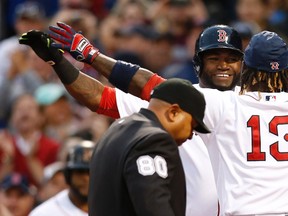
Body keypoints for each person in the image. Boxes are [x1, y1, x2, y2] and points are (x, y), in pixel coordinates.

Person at [26, 26, 288, 214]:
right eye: (214, 58)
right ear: (197, 63)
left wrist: (92, 55)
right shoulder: (170, 104)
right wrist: (58, 62)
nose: (224, 66)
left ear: (245, 67)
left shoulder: (225, 104)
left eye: (232, 59)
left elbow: (151, 84)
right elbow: (100, 98)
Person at [89, 78, 210, 216]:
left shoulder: (116, 129)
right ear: (174, 112)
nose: (190, 136)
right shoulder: (155, 140)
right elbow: (153, 205)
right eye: (192, 126)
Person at [29, 140, 95, 216]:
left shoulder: (109, 207)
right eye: (80, 172)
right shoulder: (43, 213)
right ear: (68, 176)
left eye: (92, 172)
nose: (86, 178)